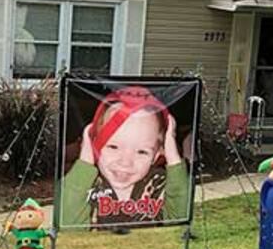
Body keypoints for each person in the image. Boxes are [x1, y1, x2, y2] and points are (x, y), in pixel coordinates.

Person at [58, 85, 190, 228]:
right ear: (94, 145)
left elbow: (179, 220)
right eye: (113, 147)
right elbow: (69, 223)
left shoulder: (159, 185)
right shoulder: (87, 186)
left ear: (156, 155)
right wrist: (85, 161)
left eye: (142, 152)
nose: (125, 162)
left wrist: (173, 157)